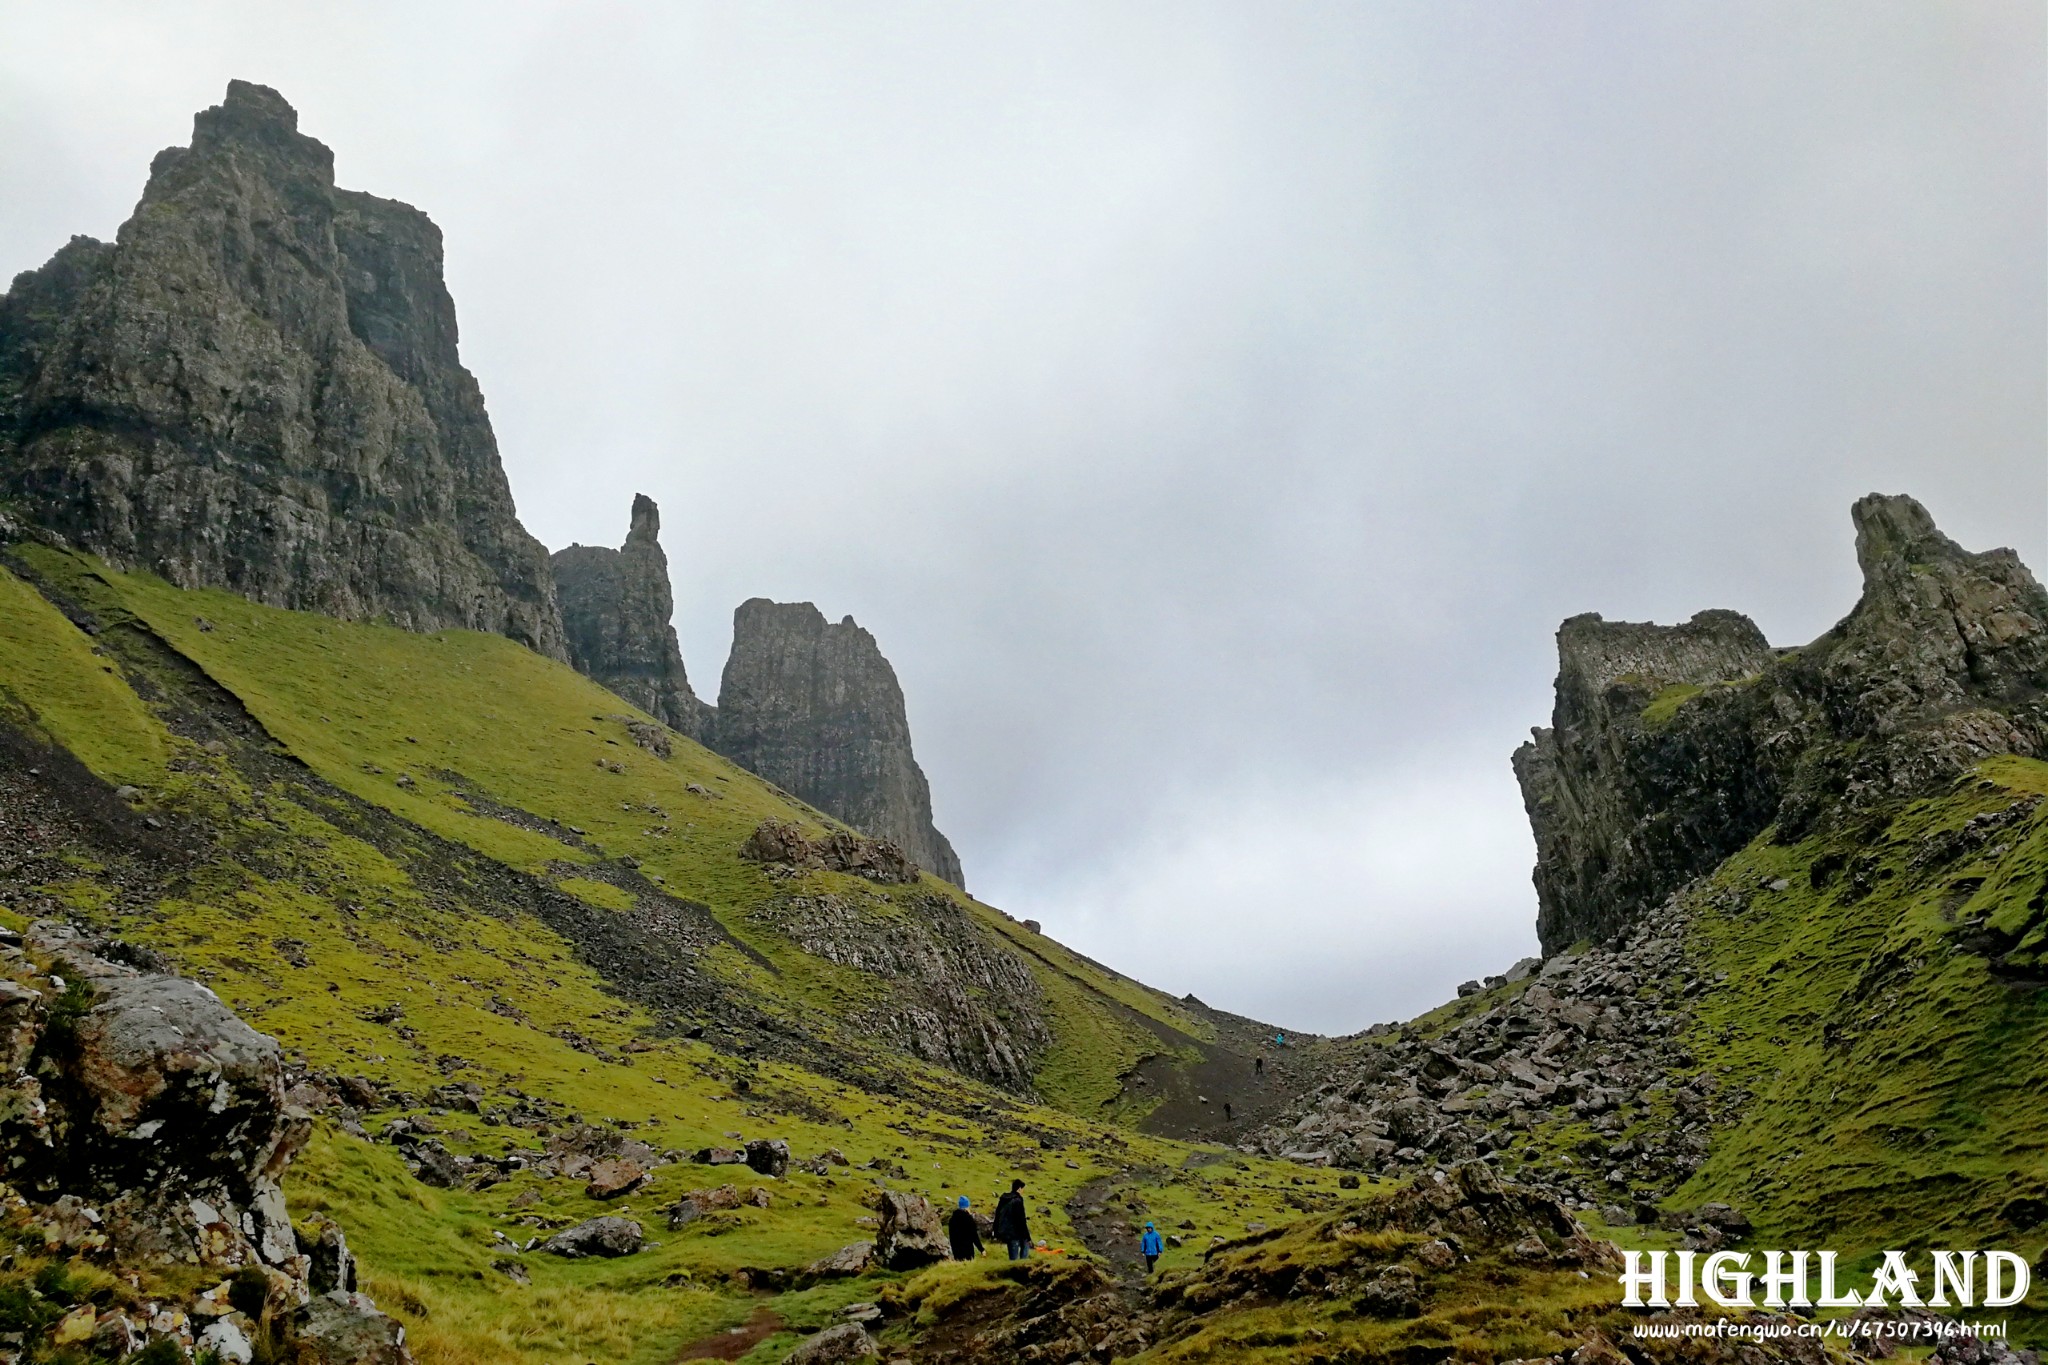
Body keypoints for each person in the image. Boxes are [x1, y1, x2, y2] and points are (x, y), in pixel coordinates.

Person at [993, 1179, 1031, 1260]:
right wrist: (1027, 1236)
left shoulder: (1004, 1199)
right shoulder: (1017, 1200)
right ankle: (1022, 1266)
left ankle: (1016, 1267)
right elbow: (1021, 1220)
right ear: (1019, 1189)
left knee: (1013, 1257)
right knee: (1025, 1245)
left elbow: (997, 1215)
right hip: (1015, 1232)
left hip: (1006, 1232)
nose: (1023, 1191)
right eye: (1022, 1189)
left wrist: (995, 1231)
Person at [947, 1195, 983, 1261]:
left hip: (956, 1251)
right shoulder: (968, 1219)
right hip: (967, 1251)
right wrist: (981, 1249)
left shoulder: (952, 1219)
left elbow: (951, 1236)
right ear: (966, 1206)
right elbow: (974, 1236)